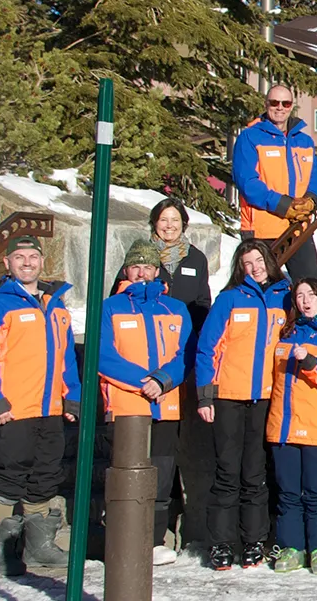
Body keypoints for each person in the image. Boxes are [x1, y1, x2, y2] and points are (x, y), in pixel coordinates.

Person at [0, 235, 79, 576]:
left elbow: (66, 359)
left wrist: (70, 396)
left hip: (49, 410)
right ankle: (0, 552)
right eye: (19, 257)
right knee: (6, 476)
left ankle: (38, 545)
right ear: (7, 263)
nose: (27, 262)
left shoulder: (55, 306)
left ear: (42, 261)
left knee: (45, 476)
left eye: (33, 256)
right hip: (11, 409)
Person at [195, 240, 289, 571]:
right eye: (247, 262)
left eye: (259, 259)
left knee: (255, 474)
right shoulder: (230, 299)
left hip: (265, 398)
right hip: (229, 398)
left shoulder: (285, 295)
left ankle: (254, 541)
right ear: (240, 267)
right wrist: (205, 395)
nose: (255, 267)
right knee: (226, 472)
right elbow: (207, 348)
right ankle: (220, 543)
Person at [97, 239, 191, 567]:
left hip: (166, 405)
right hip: (127, 406)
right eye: (135, 266)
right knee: (127, 475)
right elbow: (103, 355)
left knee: (162, 476)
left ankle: (153, 541)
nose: (142, 272)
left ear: (156, 270)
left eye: (148, 267)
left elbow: (185, 354)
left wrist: (162, 380)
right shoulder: (110, 307)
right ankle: (124, 539)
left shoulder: (176, 309)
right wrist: (144, 382)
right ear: (126, 270)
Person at [131, 197, 216, 551]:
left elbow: (203, 304)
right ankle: (144, 526)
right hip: (144, 368)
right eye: (163, 220)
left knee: (182, 447)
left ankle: (182, 520)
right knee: (151, 451)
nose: (169, 226)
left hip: (184, 360)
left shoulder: (195, 258)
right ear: (154, 223)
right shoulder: (140, 257)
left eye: (175, 220)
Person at [266, 278, 317, 575]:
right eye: (299, 296)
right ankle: (291, 546)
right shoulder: (284, 334)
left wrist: (310, 361)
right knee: (287, 491)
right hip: (283, 425)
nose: (305, 301)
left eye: (311, 295)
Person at [232, 83, 317, 282]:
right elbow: (247, 183)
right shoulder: (249, 137)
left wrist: (310, 200)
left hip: (298, 227)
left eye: (286, 102)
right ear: (266, 104)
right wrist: (283, 205)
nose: (280, 107)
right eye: (274, 102)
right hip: (262, 228)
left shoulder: (304, 141)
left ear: (292, 106)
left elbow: (315, 179)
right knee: (261, 286)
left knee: (311, 286)